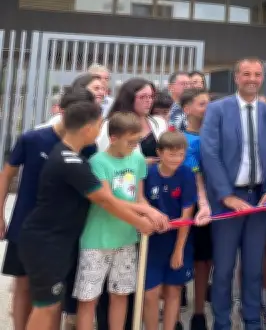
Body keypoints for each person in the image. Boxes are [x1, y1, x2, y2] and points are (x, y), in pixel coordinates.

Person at [17, 101, 163, 330]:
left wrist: (145, 210)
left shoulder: (71, 156)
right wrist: (141, 219)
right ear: (88, 128)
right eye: (98, 125)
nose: (100, 131)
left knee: (52, 304)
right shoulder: (71, 162)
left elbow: (122, 198)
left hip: (57, 241)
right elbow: (106, 200)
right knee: (47, 305)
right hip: (47, 242)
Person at [0, 89, 98, 330]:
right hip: (26, 223)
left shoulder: (87, 146)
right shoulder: (33, 139)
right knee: (23, 284)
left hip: (62, 230)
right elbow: (7, 174)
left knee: (53, 294)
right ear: (62, 111)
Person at [201, 57, 266, 330]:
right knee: (223, 269)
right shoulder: (217, 109)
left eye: (257, 74)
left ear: (262, 78)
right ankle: (222, 323)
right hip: (227, 201)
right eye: (246, 74)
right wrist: (226, 195)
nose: (252, 79)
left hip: (258, 198)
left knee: (253, 269)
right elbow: (209, 154)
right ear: (236, 77)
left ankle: (251, 321)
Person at [74, 112, 164, 330]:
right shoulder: (97, 162)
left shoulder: (137, 159)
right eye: (130, 141)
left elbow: (139, 196)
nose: (135, 146)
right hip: (97, 240)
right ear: (113, 138)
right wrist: (144, 213)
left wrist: (150, 212)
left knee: (121, 294)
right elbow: (109, 200)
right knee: (88, 299)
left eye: (137, 141)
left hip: (126, 238)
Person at [143, 132, 199, 330]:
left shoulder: (186, 174)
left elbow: (187, 215)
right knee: (150, 294)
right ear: (159, 152)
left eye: (181, 155)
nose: (176, 159)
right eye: (171, 154)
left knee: (173, 291)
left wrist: (179, 249)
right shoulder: (148, 174)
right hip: (152, 244)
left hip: (178, 240)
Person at [180, 89, 214, 330]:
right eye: (202, 104)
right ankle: (173, 315)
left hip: (212, 205)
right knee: (180, 258)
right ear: (187, 109)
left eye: (208, 103)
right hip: (184, 205)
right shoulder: (180, 138)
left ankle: (199, 312)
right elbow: (192, 172)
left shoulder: (215, 136)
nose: (207, 108)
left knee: (204, 261)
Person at [100, 78, 169, 164]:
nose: (149, 101)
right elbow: (104, 157)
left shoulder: (160, 122)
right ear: (129, 98)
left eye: (151, 96)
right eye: (143, 97)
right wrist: (140, 163)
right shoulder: (111, 125)